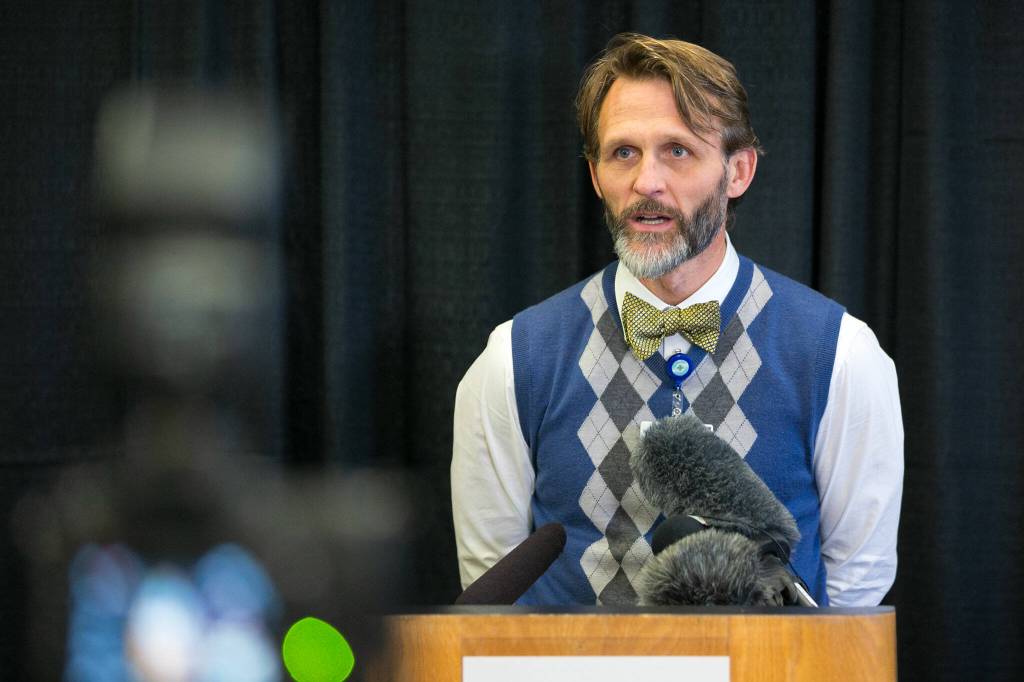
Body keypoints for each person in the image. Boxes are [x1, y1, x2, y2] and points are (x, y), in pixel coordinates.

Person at [451, 33, 903, 607]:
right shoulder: (514, 359)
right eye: (623, 153)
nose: (646, 183)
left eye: (678, 151)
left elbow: (855, 591)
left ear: (738, 171)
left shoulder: (839, 354)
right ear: (595, 176)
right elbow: (492, 585)